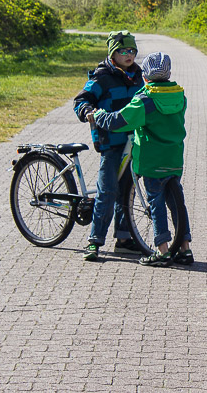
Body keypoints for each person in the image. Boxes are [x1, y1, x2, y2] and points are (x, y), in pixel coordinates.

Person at [90, 51, 193, 267]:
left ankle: (162, 250)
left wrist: (99, 116)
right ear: (169, 73)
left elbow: (120, 121)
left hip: (152, 161)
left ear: (145, 76)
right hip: (174, 159)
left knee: (155, 203)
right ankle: (185, 248)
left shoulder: (145, 100)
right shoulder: (179, 96)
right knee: (177, 204)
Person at [74, 30, 144, 261]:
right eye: (123, 51)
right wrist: (87, 112)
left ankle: (124, 239)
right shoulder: (101, 76)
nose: (129, 55)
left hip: (132, 141)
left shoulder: (138, 76)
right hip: (111, 141)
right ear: (113, 53)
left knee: (127, 189)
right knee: (107, 190)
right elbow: (81, 100)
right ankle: (94, 241)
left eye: (132, 51)